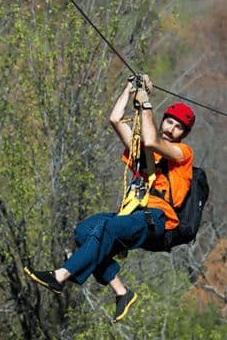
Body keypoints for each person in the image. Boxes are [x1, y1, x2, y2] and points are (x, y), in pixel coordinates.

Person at [24, 74, 196, 322]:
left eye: (178, 127)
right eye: (169, 122)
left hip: (157, 218)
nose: (171, 128)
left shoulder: (182, 153)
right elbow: (115, 119)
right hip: (133, 213)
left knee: (108, 228)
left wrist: (146, 103)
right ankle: (122, 292)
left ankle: (60, 276)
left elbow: (152, 140)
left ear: (183, 134)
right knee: (84, 231)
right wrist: (129, 89)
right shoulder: (145, 152)